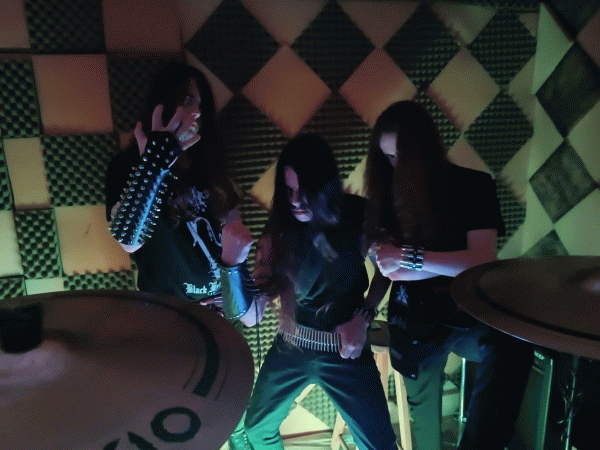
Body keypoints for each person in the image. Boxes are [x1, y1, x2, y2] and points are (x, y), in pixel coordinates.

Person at [364, 100, 533, 450]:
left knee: (514, 345)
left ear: (424, 150)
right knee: (424, 427)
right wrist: (390, 266)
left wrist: (412, 260)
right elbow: (390, 269)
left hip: (470, 313)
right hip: (415, 320)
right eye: (389, 158)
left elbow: (480, 261)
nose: (395, 167)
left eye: (401, 157)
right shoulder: (390, 195)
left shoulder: (474, 185)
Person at [242, 134, 398, 450]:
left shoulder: (359, 215)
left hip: (346, 345)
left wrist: (365, 316)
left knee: (380, 444)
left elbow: (387, 268)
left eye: (305, 191)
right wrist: (239, 278)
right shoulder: (279, 228)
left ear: (326, 186)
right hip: (292, 344)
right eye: (289, 191)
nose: (296, 200)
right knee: (256, 428)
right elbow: (258, 298)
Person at [105, 61, 255, 318]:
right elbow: (128, 240)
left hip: (219, 310)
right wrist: (154, 163)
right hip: (168, 314)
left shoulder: (209, 164)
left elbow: (233, 230)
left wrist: (232, 283)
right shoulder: (127, 165)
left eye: (201, 104)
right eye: (187, 101)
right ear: (164, 104)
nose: (196, 111)